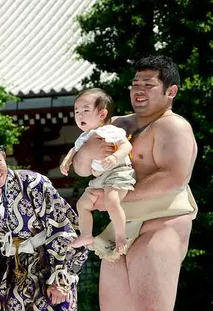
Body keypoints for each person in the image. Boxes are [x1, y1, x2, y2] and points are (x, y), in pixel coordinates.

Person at [72, 55, 198, 311]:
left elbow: (174, 177)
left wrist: (116, 198)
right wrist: (84, 153)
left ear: (170, 91)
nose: (139, 91)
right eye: (135, 84)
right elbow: (82, 169)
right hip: (121, 225)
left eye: (148, 85)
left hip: (162, 222)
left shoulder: (174, 127)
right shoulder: (115, 125)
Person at [0, 129, 89, 311]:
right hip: (5, 269)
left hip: (47, 263)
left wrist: (61, 277)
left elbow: (61, 228)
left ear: (4, 157)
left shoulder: (34, 184)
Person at [60, 88, 135, 260]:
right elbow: (74, 150)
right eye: (77, 111)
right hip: (100, 177)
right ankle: (86, 234)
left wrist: (116, 157)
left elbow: (127, 146)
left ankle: (120, 235)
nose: (80, 115)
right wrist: (67, 161)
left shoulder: (111, 130)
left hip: (118, 171)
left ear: (102, 114)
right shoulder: (83, 137)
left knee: (112, 200)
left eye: (86, 110)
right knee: (82, 204)